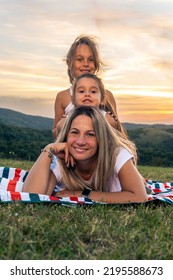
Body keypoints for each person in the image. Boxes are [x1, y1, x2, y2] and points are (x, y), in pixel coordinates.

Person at [23, 106, 147, 204]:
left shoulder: (116, 154)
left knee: (141, 184)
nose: (80, 141)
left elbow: (139, 196)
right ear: (66, 135)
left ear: (101, 139)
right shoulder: (62, 160)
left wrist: (81, 194)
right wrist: (48, 150)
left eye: (90, 134)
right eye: (74, 132)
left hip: (125, 180)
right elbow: (31, 195)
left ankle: (139, 179)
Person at [52, 35, 120, 139]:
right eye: (79, 59)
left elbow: (118, 131)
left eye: (91, 60)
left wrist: (111, 122)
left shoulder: (107, 95)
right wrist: (63, 125)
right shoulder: (62, 97)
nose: (86, 64)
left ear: (96, 64)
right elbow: (55, 133)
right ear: (69, 63)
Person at [56, 73, 126, 137]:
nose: (87, 94)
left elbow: (113, 143)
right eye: (81, 91)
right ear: (73, 99)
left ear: (102, 99)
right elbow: (60, 138)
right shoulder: (67, 120)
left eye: (93, 91)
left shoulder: (107, 119)